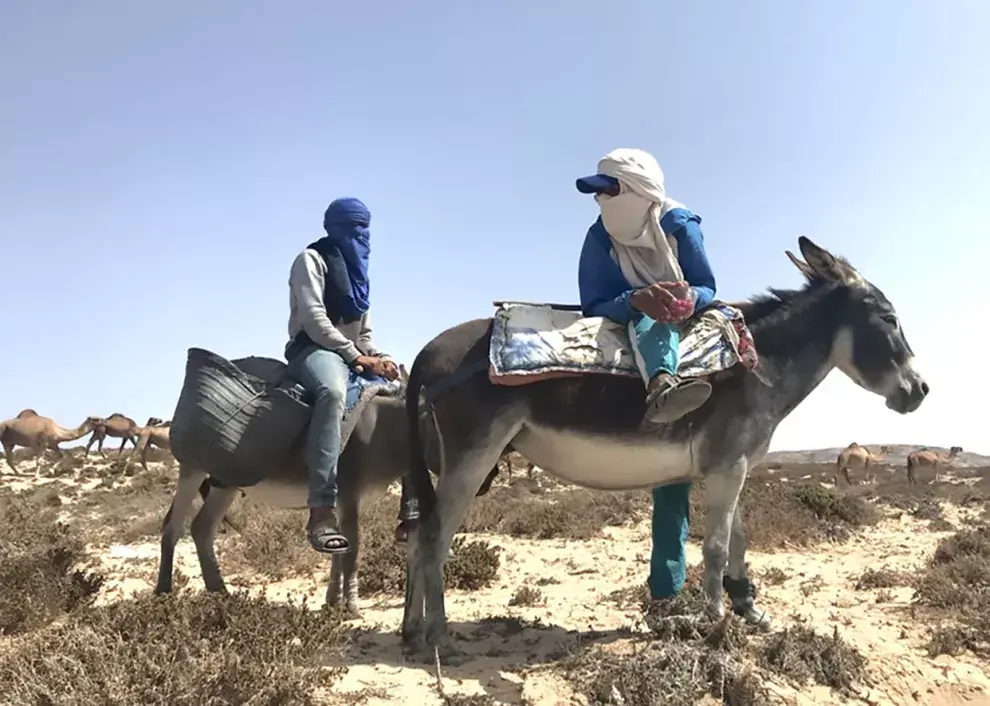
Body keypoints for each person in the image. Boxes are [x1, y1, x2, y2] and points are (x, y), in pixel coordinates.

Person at [575, 147, 717, 599]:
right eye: (597, 194)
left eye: (609, 190)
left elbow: (707, 284)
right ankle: (661, 385)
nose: (601, 201)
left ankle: (667, 591)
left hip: (684, 317)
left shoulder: (679, 224)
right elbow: (594, 301)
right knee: (649, 322)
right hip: (631, 318)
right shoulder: (599, 238)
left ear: (637, 190)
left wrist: (688, 299)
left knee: (676, 483)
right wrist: (636, 301)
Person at [285, 197, 400, 554]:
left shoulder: (359, 275)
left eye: (365, 228)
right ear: (335, 227)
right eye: (355, 228)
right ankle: (321, 512)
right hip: (314, 350)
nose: (361, 236)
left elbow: (364, 334)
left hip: (354, 356)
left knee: (406, 398)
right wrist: (353, 356)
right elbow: (314, 319)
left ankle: (412, 513)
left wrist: (379, 357)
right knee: (333, 393)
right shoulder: (311, 260)